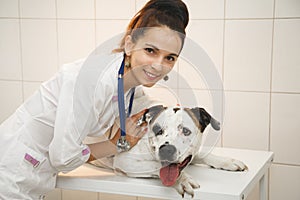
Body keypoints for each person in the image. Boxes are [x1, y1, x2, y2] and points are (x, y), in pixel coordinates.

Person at [0, 0, 189, 199]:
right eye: (150, 51)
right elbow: (62, 158)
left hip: (35, 175)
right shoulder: (91, 80)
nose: (158, 66)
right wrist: (115, 144)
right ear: (129, 44)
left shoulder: (130, 88)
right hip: (9, 170)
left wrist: (181, 118)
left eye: (170, 58)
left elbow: (153, 109)